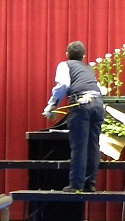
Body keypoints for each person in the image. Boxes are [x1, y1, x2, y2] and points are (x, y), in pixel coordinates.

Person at [43, 41, 106, 192]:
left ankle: (76, 185)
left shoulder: (65, 65)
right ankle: (90, 184)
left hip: (82, 104)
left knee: (79, 146)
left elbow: (63, 85)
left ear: (67, 54)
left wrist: (52, 105)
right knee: (93, 145)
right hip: (98, 104)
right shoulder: (88, 68)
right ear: (84, 56)